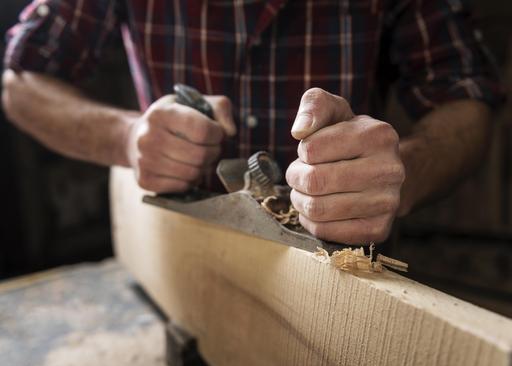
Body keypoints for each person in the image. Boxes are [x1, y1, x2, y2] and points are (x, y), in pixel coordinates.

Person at [2, 0, 503, 245]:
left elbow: (466, 95)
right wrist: (127, 136)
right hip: (180, 246)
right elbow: (20, 82)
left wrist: (402, 173)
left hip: (338, 253)